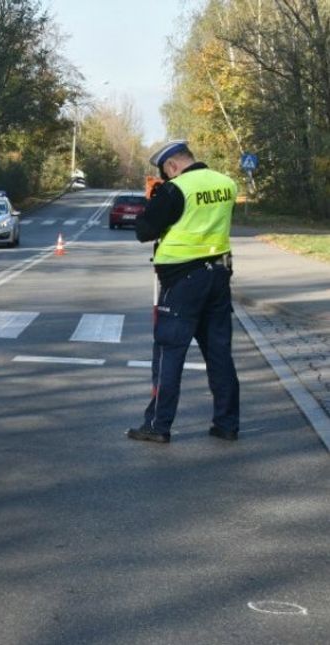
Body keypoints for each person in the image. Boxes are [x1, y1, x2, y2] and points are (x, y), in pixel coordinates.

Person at [126, 140, 240, 444]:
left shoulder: (175, 189)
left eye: (166, 172)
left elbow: (144, 231)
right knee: (219, 354)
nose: (166, 177)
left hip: (182, 281)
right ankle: (226, 424)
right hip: (218, 276)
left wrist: (154, 201)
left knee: (168, 352)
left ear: (173, 165)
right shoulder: (226, 183)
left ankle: (158, 425)